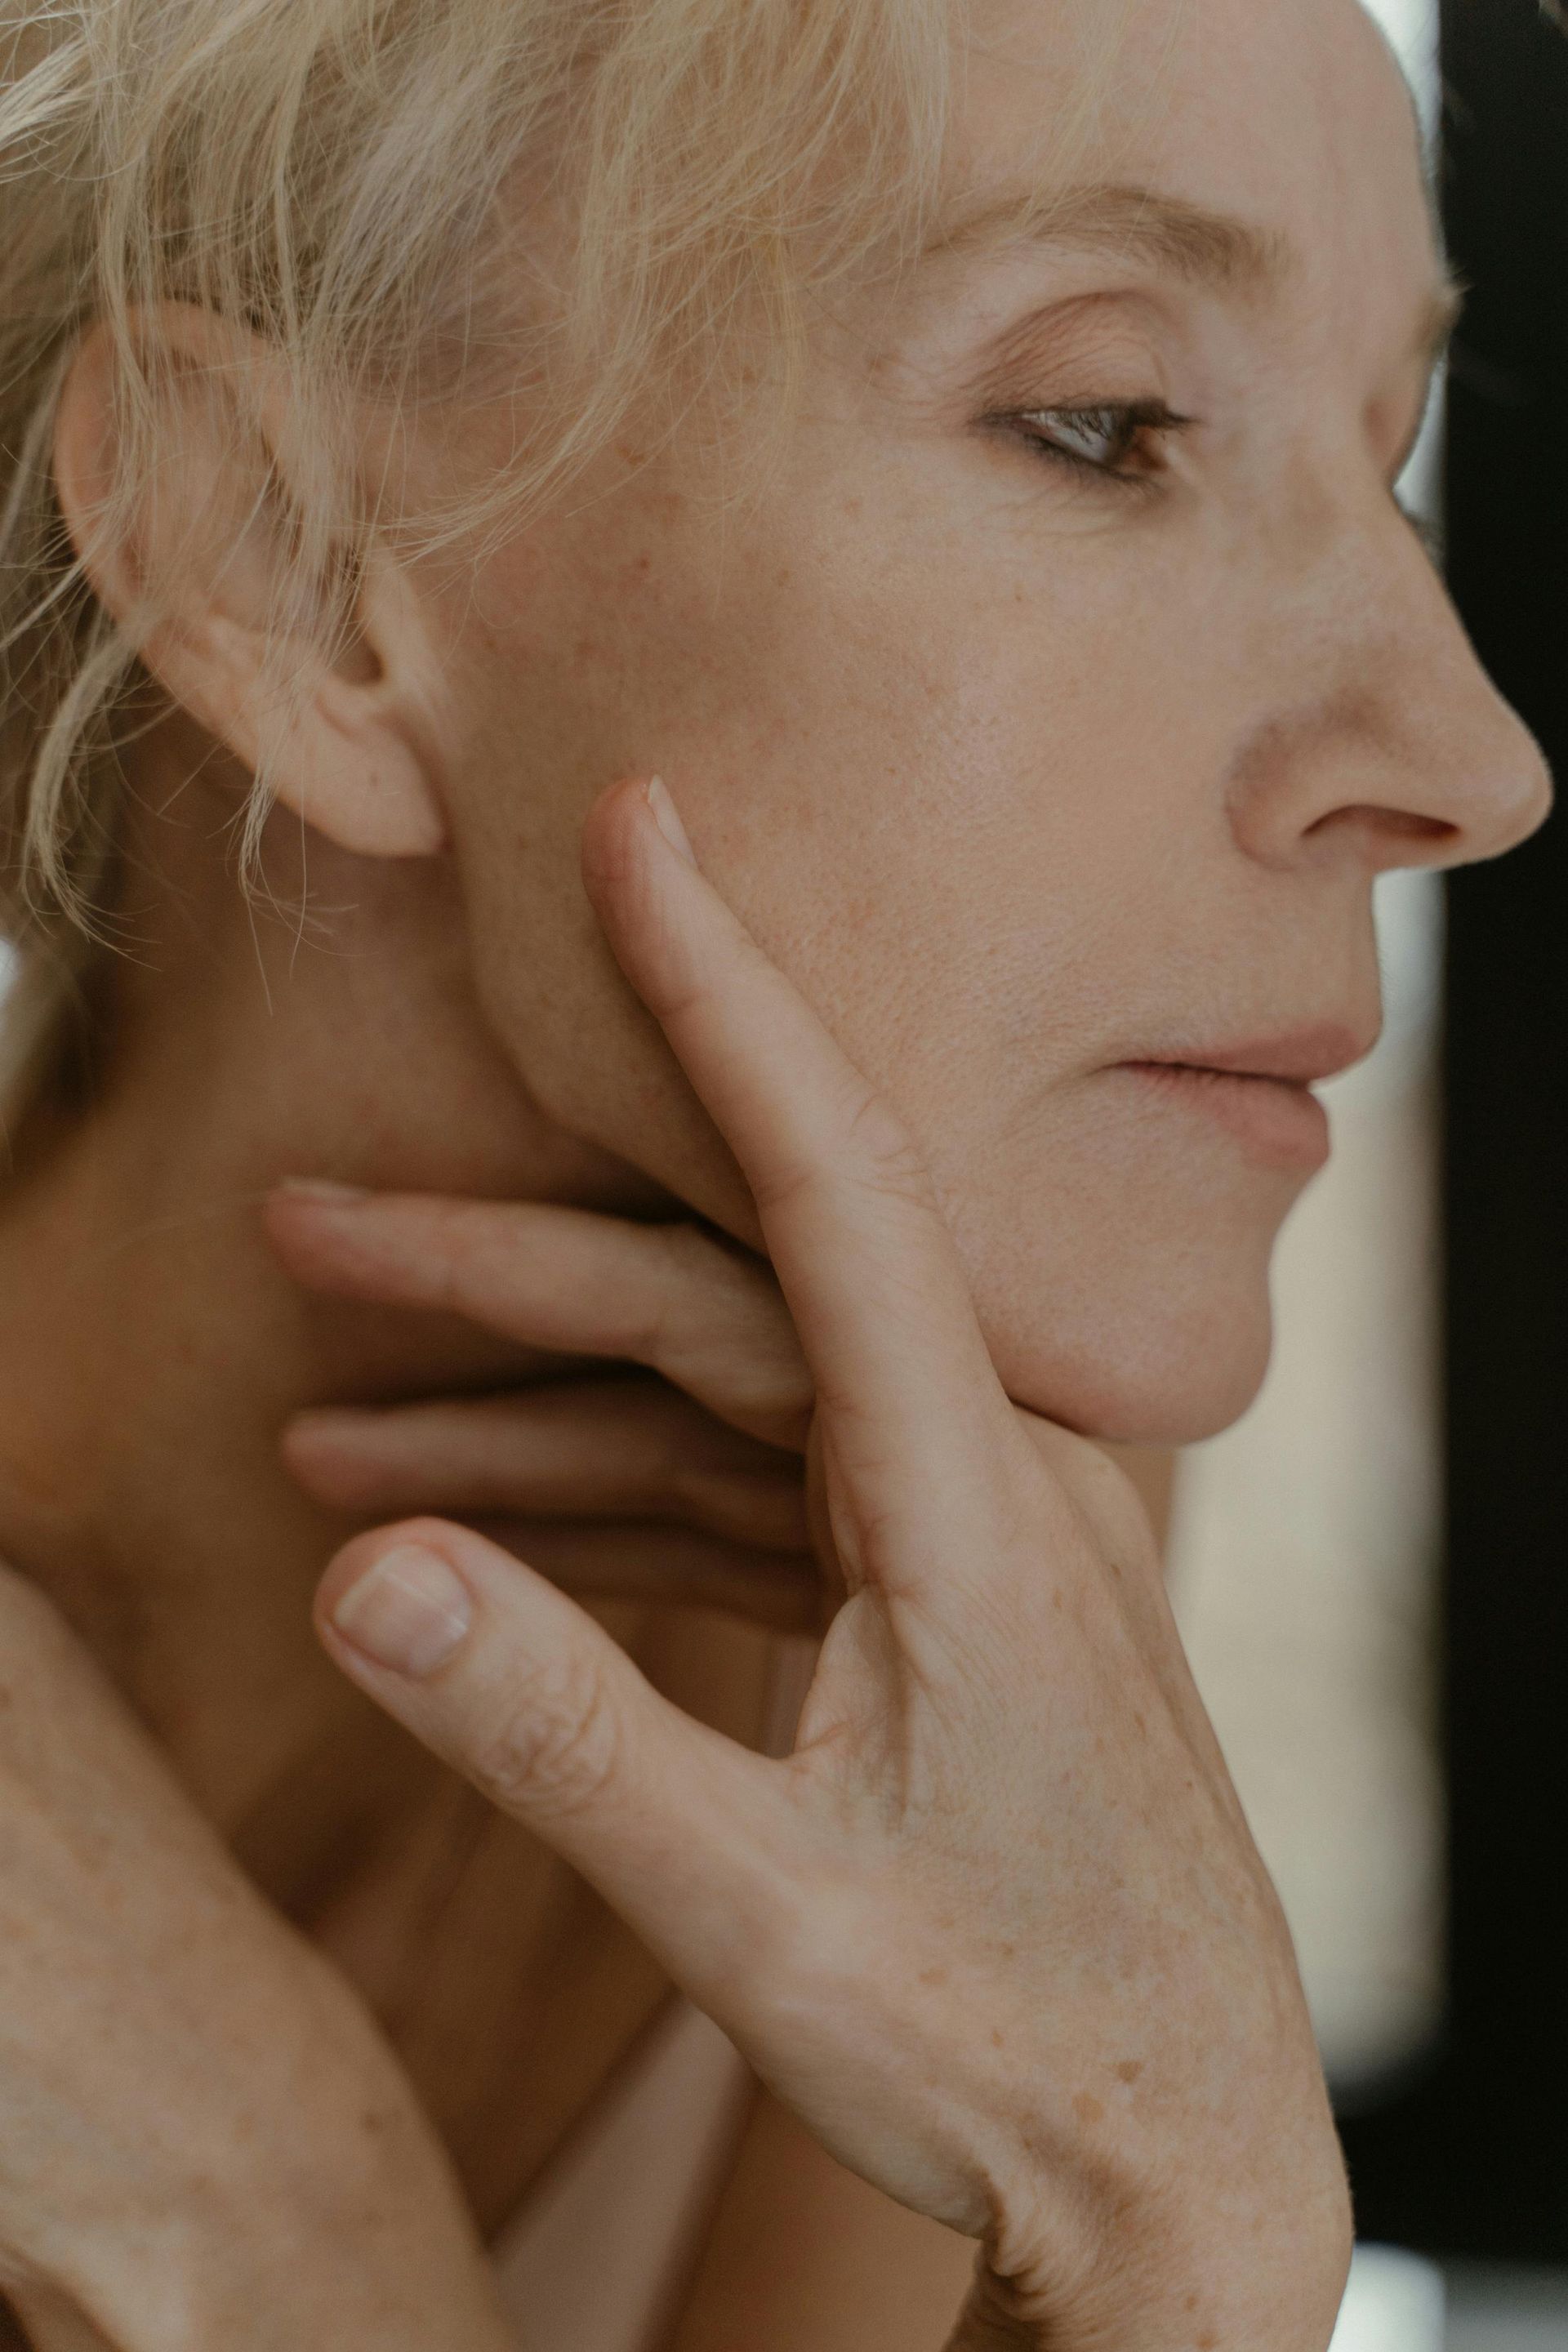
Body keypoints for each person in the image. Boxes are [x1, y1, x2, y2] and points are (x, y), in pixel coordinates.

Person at [0, 0, 1550, 2342]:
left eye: (1393, 454)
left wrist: (1188, 2232)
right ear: (289, 561)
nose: (1470, 758)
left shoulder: (932, 1581)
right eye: (1103, 427)